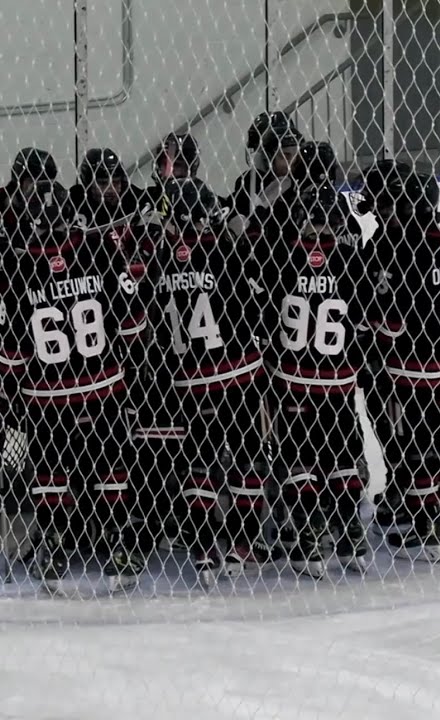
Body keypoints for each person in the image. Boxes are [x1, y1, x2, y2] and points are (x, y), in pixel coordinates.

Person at [0, 182, 147, 594]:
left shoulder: (20, 265)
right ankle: (116, 541)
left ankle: (55, 544)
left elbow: (11, 352)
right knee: (111, 466)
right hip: (103, 387)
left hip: (48, 394)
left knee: (51, 472)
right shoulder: (99, 250)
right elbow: (133, 323)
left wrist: (10, 391)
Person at [143, 178, 270, 587]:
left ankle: (202, 543)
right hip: (236, 372)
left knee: (199, 459)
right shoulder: (224, 252)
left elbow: (152, 323)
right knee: (249, 455)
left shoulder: (160, 261)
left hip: (190, 380)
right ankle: (241, 539)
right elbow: (251, 309)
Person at [362, 163, 440, 562]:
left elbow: (393, 322)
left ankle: (426, 530)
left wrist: (373, 329)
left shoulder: (405, 250)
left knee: (417, 445)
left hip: (414, 367)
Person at [262, 181, 375, 577]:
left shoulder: (283, 258)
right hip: (338, 380)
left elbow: (265, 317)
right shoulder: (349, 259)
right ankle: (350, 534)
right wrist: (356, 364)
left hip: (293, 380)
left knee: (299, 459)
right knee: (343, 456)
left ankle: (309, 535)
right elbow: (363, 321)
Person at [227, 111, 302, 246]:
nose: (292, 162)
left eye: (295, 154)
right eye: (285, 155)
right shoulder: (248, 183)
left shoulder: (302, 182)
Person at [0, 147, 60, 251]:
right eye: (33, 181)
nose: (40, 188)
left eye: (46, 182)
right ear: (19, 180)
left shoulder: (58, 206)